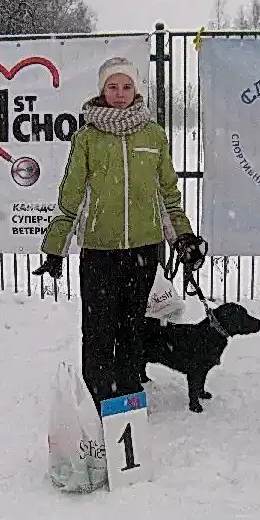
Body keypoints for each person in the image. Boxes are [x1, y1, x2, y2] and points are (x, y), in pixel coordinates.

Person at [34, 56, 206, 412]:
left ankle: (127, 396)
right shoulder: (86, 138)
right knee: (98, 329)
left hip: (144, 250)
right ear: (102, 91)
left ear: (136, 90)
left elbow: (167, 195)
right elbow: (72, 196)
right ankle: (99, 397)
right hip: (100, 251)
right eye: (112, 87)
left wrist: (182, 237)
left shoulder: (154, 136)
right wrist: (55, 248)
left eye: (127, 86)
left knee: (133, 328)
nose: (120, 93)